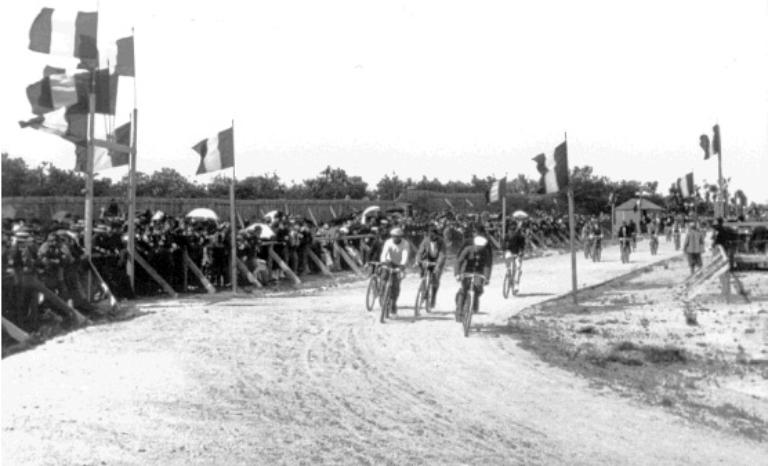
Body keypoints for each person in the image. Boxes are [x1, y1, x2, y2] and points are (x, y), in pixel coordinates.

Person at [455, 234, 493, 314]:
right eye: (479, 246)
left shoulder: (485, 252)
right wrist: (457, 274)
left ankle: (474, 305)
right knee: (464, 289)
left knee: (479, 288)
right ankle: (459, 308)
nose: (480, 248)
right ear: (475, 245)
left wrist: (486, 278)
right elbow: (459, 261)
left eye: (482, 246)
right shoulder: (467, 250)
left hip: (478, 272)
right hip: (466, 271)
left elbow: (487, 265)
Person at [379, 227, 409, 315]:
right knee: (383, 279)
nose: (394, 238)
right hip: (389, 262)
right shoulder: (388, 242)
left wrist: (402, 266)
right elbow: (384, 253)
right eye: (393, 236)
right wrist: (383, 262)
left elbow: (405, 255)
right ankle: (382, 294)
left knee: (396, 286)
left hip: (399, 264)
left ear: (400, 237)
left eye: (396, 236)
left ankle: (393, 303)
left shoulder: (405, 244)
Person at [415, 227, 446, 307]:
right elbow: (420, 252)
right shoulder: (425, 241)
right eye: (430, 235)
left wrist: (438, 265)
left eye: (433, 235)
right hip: (427, 259)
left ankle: (433, 297)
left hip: (437, 260)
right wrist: (418, 260)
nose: (431, 237)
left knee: (436, 279)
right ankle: (423, 291)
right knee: (423, 275)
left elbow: (442, 255)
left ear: (436, 235)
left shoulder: (441, 242)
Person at [503, 223, 526, 293]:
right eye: (511, 230)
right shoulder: (507, 236)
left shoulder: (520, 237)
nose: (511, 231)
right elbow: (503, 245)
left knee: (518, 268)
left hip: (517, 253)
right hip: (511, 252)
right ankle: (508, 272)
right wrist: (504, 249)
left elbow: (522, 247)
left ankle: (516, 283)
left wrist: (521, 252)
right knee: (517, 268)